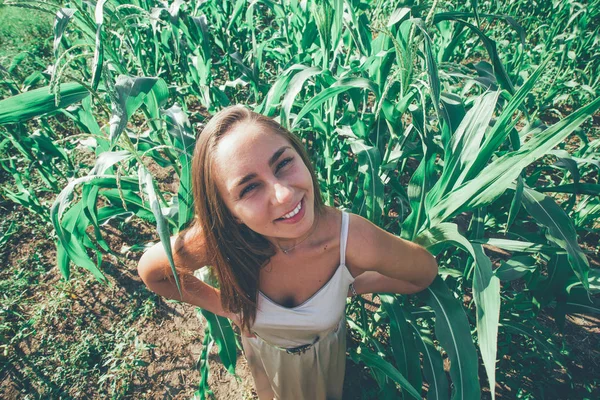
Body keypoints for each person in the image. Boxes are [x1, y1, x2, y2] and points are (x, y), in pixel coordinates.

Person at [137, 105, 438, 400]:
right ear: (230, 213)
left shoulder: (352, 240)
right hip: (266, 356)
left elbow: (423, 273)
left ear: (300, 155)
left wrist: (351, 285)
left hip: (324, 357)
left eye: (283, 163)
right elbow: (153, 273)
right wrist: (223, 307)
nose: (283, 194)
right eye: (249, 188)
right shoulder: (220, 238)